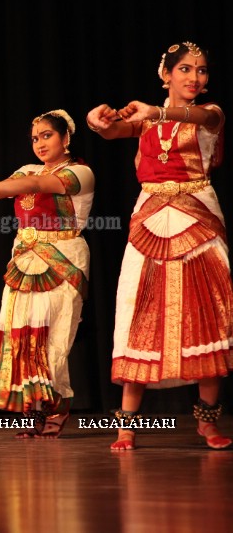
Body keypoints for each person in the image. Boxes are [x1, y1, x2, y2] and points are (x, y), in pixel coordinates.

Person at [87, 40, 233, 451]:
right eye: (185, 69)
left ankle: (207, 421)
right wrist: (95, 120)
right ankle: (127, 424)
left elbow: (203, 115)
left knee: (207, 309)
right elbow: (113, 129)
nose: (195, 77)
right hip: (149, 217)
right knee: (139, 307)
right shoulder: (146, 122)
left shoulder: (210, 115)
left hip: (198, 217)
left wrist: (159, 111)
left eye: (202, 71)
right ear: (166, 75)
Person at [0, 110, 94, 438]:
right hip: (24, 260)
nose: (39, 143)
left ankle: (59, 404)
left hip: (63, 259)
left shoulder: (81, 173)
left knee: (53, 338)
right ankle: (35, 410)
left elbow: (38, 184)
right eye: (34, 138)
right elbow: (4, 190)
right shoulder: (25, 169)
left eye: (47, 136)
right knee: (22, 334)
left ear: (66, 138)